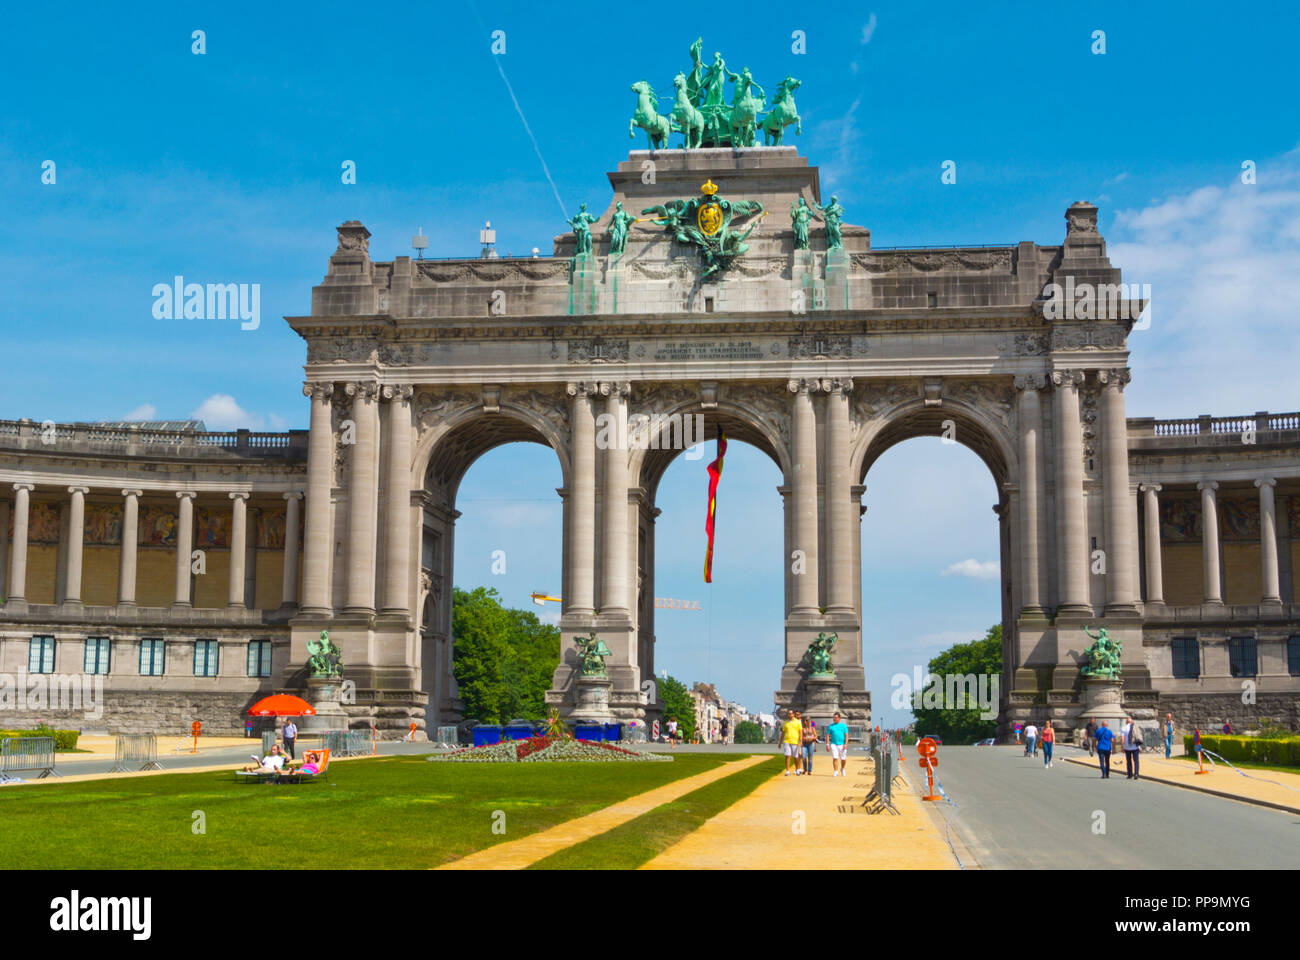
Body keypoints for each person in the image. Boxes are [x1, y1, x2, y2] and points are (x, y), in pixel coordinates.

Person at [825, 712, 849, 777]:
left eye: (836, 717)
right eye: (834, 717)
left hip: (842, 744)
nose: (834, 719)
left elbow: (846, 735)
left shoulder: (843, 726)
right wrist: (827, 744)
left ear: (839, 718)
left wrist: (846, 744)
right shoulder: (830, 726)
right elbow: (827, 736)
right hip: (833, 744)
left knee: (843, 759)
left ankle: (842, 768)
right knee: (835, 758)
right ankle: (835, 771)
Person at [781, 709, 803, 776]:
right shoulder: (785, 723)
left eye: (798, 714)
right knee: (788, 756)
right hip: (787, 741)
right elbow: (783, 733)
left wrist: (800, 740)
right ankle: (787, 770)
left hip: (796, 741)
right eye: (789, 713)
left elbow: (811, 727)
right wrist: (780, 742)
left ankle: (799, 769)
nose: (797, 715)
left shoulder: (802, 721)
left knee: (798, 756)